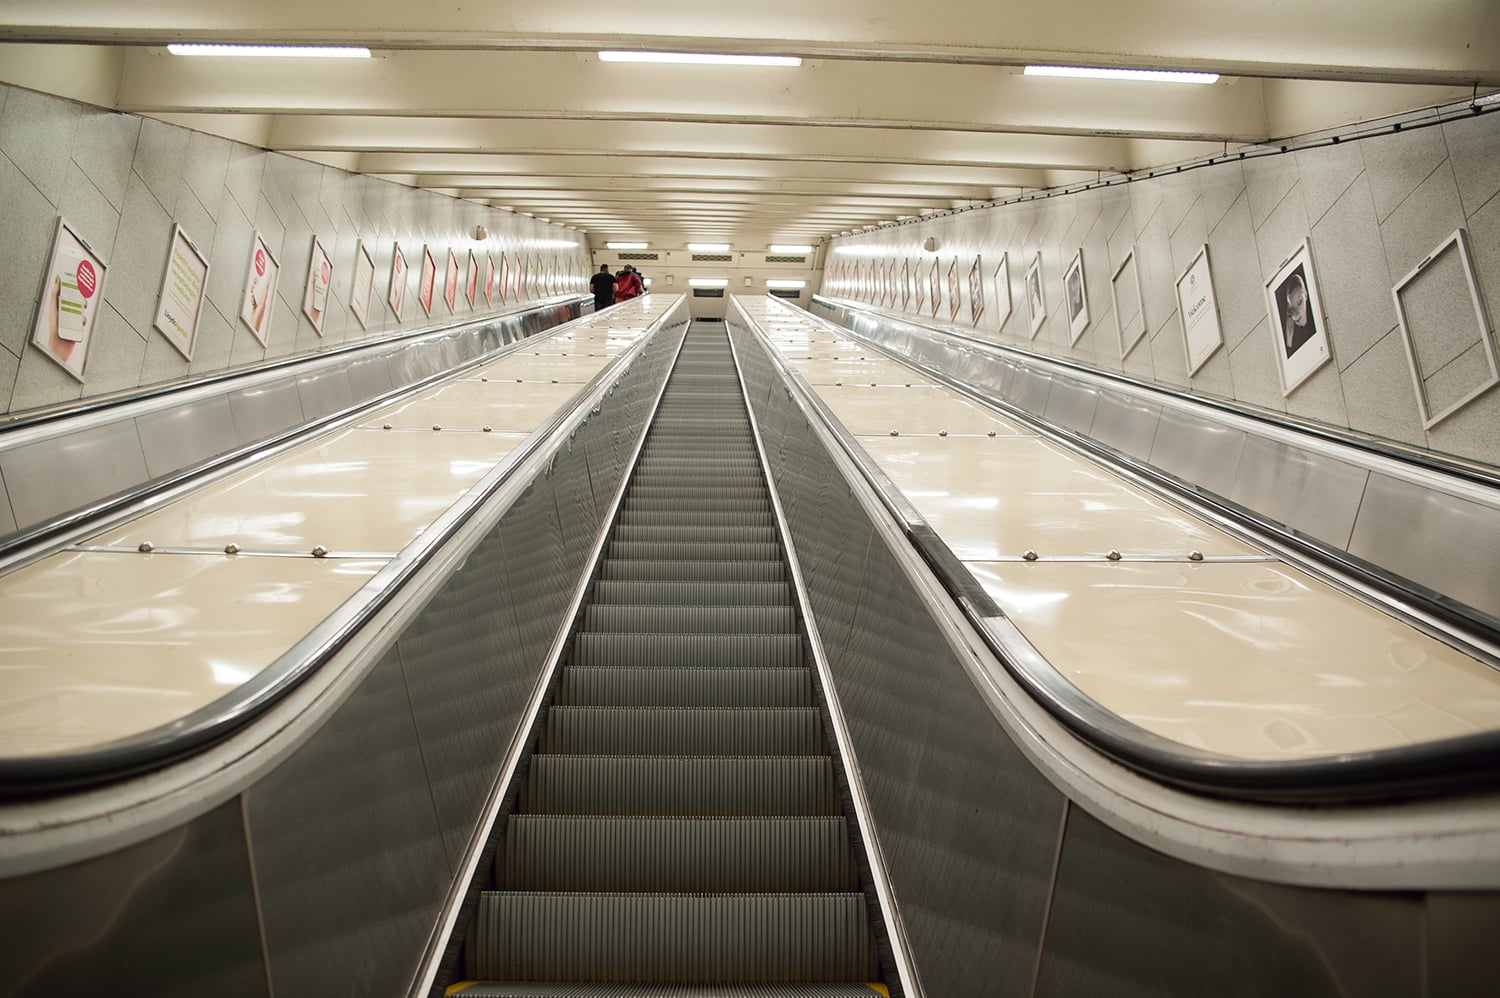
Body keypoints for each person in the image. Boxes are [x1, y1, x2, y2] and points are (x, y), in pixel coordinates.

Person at [1280, 270, 1314, 357]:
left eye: (1299, 302)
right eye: (1292, 308)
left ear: (1305, 295)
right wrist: (1289, 337)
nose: (1296, 313)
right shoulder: (1293, 333)